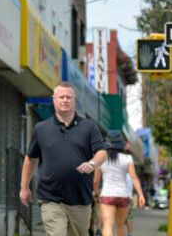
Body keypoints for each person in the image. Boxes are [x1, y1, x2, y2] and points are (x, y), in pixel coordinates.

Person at [19, 82, 107, 236]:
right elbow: (30, 159)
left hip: (80, 199)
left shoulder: (89, 127)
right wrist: (24, 187)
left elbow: (102, 153)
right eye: (61, 97)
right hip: (51, 198)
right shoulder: (41, 129)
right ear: (54, 100)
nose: (65, 100)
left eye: (69, 97)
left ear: (74, 100)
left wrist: (92, 163)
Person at [92, 132, 145, 236]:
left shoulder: (101, 159)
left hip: (107, 195)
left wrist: (95, 193)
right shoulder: (127, 158)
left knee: (108, 224)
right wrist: (141, 195)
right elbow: (134, 177)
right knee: (121, 225)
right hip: (123, 195)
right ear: (121, 145)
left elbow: (96, 181)